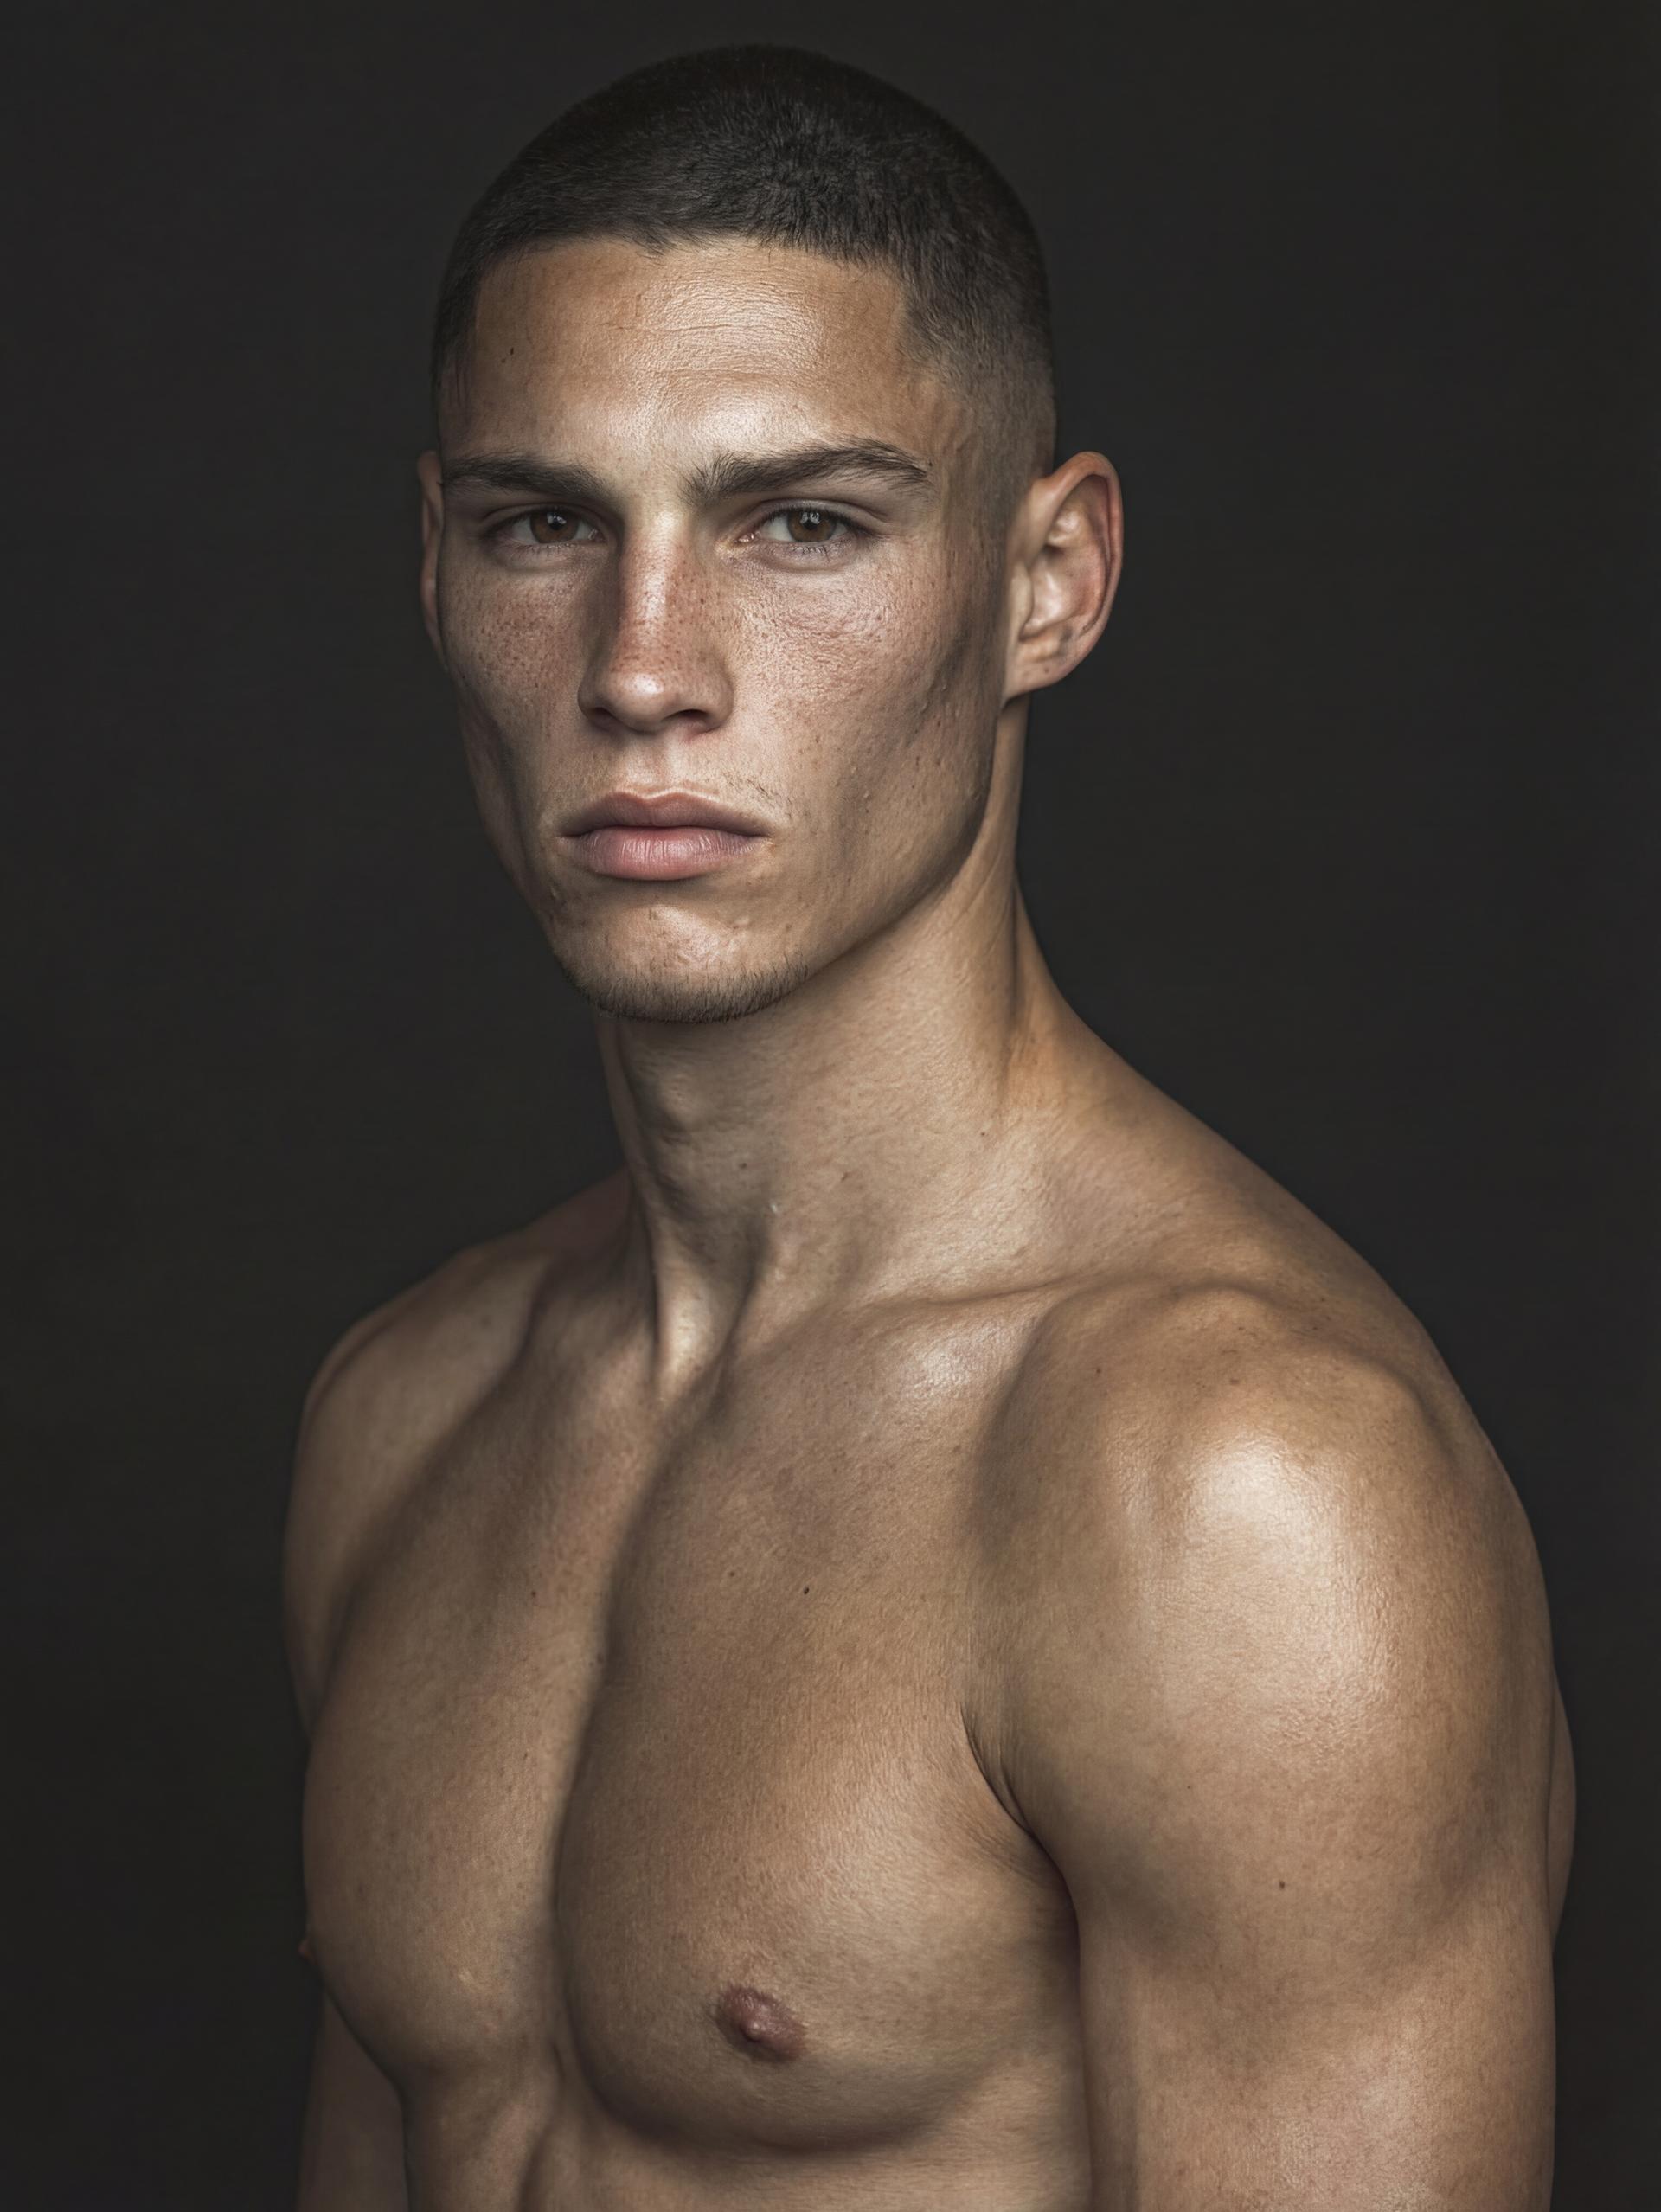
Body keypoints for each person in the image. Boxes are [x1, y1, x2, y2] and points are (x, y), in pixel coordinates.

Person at [284, 46, 1573, 2209]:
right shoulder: (404, 1419)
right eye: (545, 525)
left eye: (803, 524)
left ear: (1047, 581)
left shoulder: (1233, 1494)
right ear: (434, 567)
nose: (644, 669)